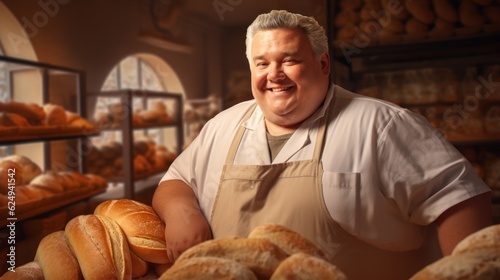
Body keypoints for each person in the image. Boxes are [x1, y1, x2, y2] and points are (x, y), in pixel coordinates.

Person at [152, 10, 492, 280]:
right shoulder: (224, 126)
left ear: (323, 64)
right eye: (262, 63)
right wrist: (183, 211)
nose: (274, 74)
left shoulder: (380, 124)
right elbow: (177, 179)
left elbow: (460, 199)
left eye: (289, 60)